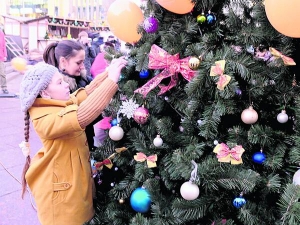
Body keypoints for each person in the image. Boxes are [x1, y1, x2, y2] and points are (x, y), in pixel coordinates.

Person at [19, 57, 127, 225]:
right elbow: (81, 115)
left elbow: (85, 93)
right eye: (59, 83)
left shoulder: (59, 103)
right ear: (45, 93)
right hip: (63, 200)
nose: (66, 85)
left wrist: (107, 73)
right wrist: (112, 81)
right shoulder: (44, 119)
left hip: (75, 188)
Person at [43, 40, 96, 151]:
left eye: (83, 62)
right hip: (72, 148)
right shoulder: (58, 90)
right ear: (63, 62)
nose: (82, 67)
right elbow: (79, 117)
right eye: (78, 62)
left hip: (87, 141)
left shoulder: (84, 79)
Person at [0, 28, 8, 94]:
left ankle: (4, 88)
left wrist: (5, 55)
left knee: (2, 73)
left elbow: (3, 45)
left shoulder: (1, 33)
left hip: (0, 57)